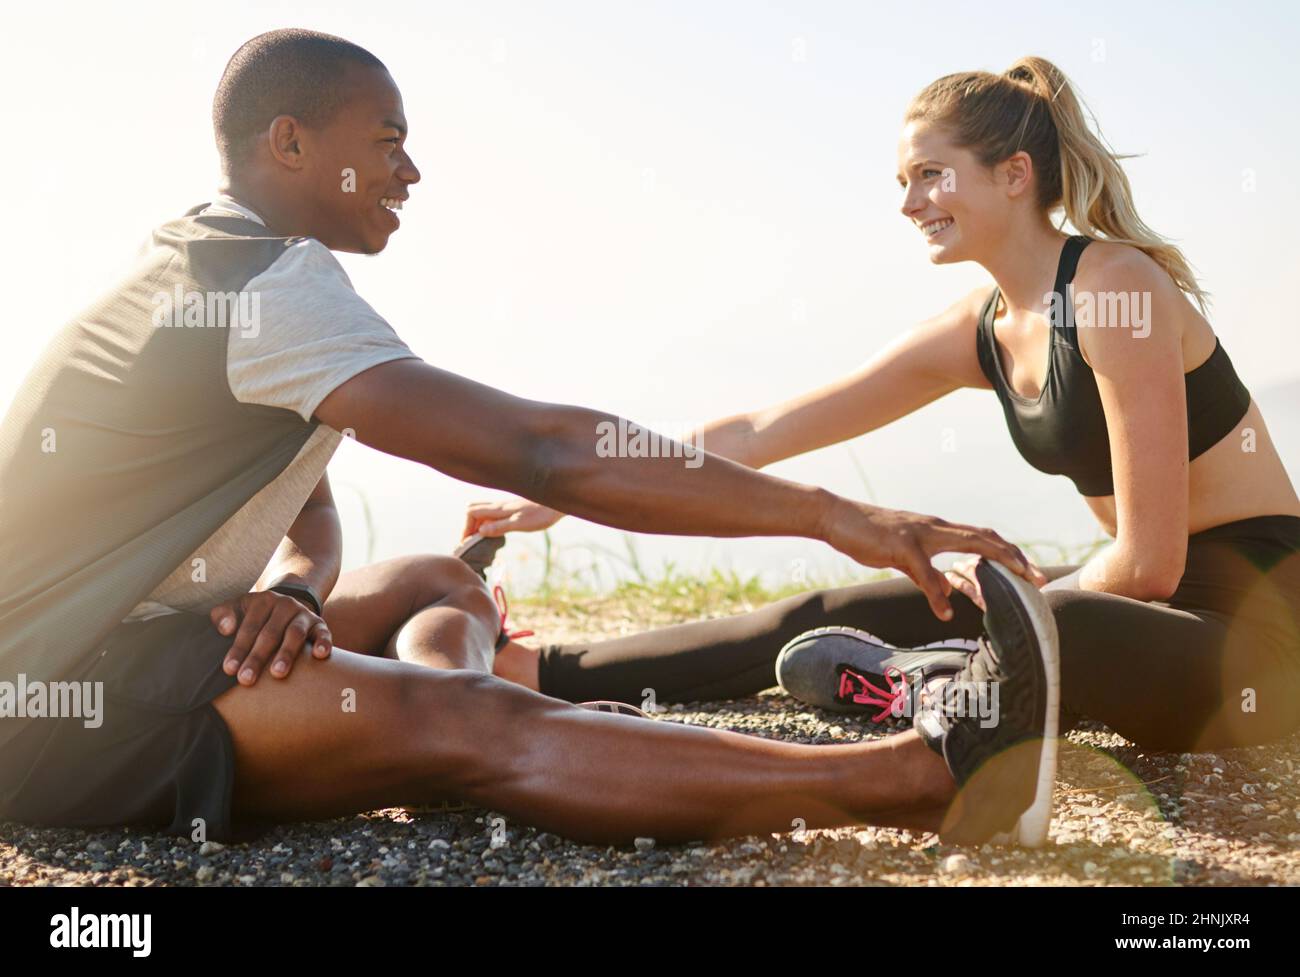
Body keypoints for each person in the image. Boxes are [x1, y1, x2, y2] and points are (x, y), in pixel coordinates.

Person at [0, 29, 1054, 848]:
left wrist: (299, 592)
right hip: (57, 699)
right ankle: (928, 782)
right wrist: (841, 515)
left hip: (125, 642)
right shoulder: (264, 285)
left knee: (429, 581)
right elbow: (544, 452)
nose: (409, 171)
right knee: (462, 724)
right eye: (386, 143)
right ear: (289, 142)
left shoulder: (210, 258)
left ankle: (494, 724)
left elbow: (306, 501)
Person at [466, 56, 1300, 755]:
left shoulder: (1116, 289)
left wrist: (1016, 598)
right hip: (1134, 611)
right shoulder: (981, 328)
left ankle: (932, 680)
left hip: (1257, 638)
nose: (909, 203)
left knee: (1063, 623)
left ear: (1015, 176)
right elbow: (762, 429)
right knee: (828, 609)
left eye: (932, 175)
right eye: (904, 181)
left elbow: (1150, 565)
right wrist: (564, 490)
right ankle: (535, 671)